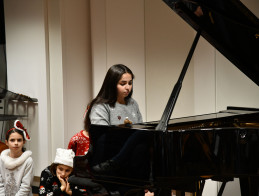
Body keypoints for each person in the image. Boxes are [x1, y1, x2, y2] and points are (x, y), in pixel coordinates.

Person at [84, 64, 150, 195]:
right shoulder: (100, 106)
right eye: (123, 83)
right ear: (112, 84)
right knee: (139, 135)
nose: (128, 87)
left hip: (132, 158)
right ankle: (117, 164)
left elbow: (141, 129)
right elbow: (102, 138)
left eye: (130, 83)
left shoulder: (133, 103)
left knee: (144, 136)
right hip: (107, 158)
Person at [0, 120, 34, 195]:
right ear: (6, 142)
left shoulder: (28, 161)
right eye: (12, 140)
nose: (16, 143)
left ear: (24, 141)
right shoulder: (2, 159)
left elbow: (26, 186)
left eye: (19, 140)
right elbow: (0, 183)